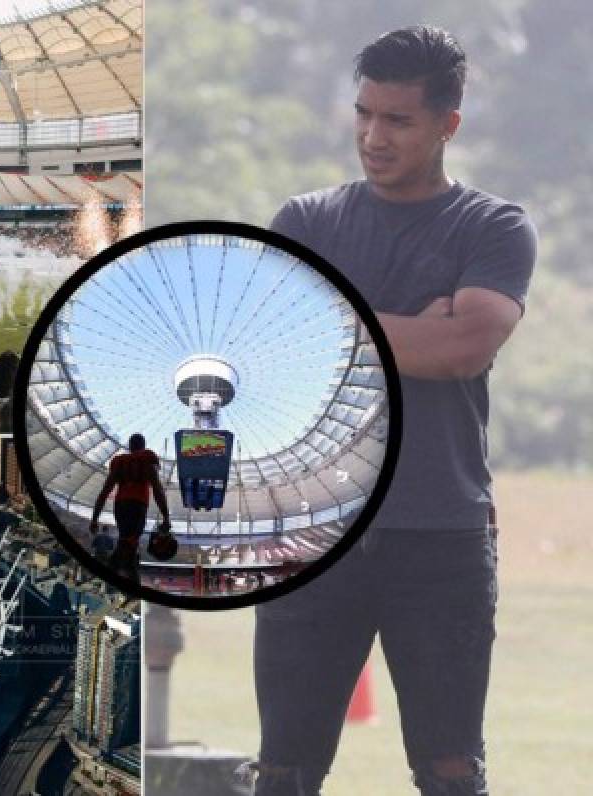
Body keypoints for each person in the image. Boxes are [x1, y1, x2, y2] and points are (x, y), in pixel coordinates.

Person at [252, 27, 535, 796]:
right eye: (363, 114)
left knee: (450, 773)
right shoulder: (306, 219)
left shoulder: (493, 226)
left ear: (450, 123)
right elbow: (274, 350)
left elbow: (465, 349)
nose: (373, 137)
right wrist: (417, 325)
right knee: (282, 773)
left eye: (398, 120)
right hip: (313, 532)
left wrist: (334, 320)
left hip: (440, 531)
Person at [88, 433, 171, 580]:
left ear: (130, 446)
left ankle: (114, 576)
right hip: (137, 506)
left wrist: (94, 518)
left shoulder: (119, 462)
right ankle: (125, 581)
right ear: (143, 446)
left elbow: (104, 491)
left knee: (126, 542)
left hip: (120, 506)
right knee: (129, 546)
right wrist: (165, 515)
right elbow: (157, 489)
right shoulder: (147, 459)